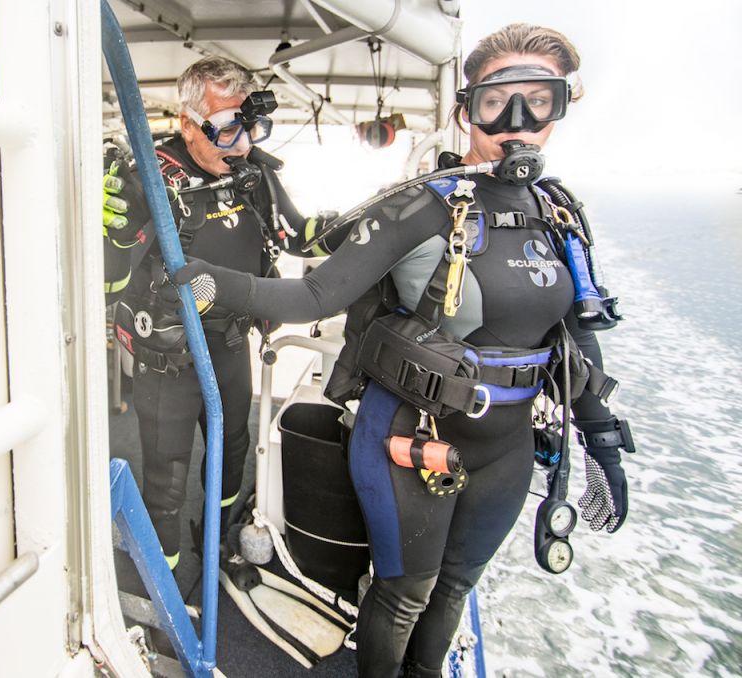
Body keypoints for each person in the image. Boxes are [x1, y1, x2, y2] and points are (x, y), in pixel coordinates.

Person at [171, 25, 633, 677]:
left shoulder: (558, 214)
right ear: (466, 108)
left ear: (561, 108)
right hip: (410, 439)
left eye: (541, 100)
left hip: (508, 449)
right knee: (403, 597)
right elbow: (318, 295)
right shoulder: (422, 207)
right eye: (500, 102)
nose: (519, 122)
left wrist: (603, 442)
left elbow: (577, 337)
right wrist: (216, 283)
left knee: (452, 589)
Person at [103, 56, 333, 571]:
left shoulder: (253, 172)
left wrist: (362, 227)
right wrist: (111, 233)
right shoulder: (147, 182)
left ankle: (219, 542)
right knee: (165, 477)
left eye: (251, 127)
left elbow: (298, 233)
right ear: (188, 124)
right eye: (228, 129)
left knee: (232, 454)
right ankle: (165, 585)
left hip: (230, 346)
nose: (245, 144)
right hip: (169, 361)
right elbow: (105, 280)